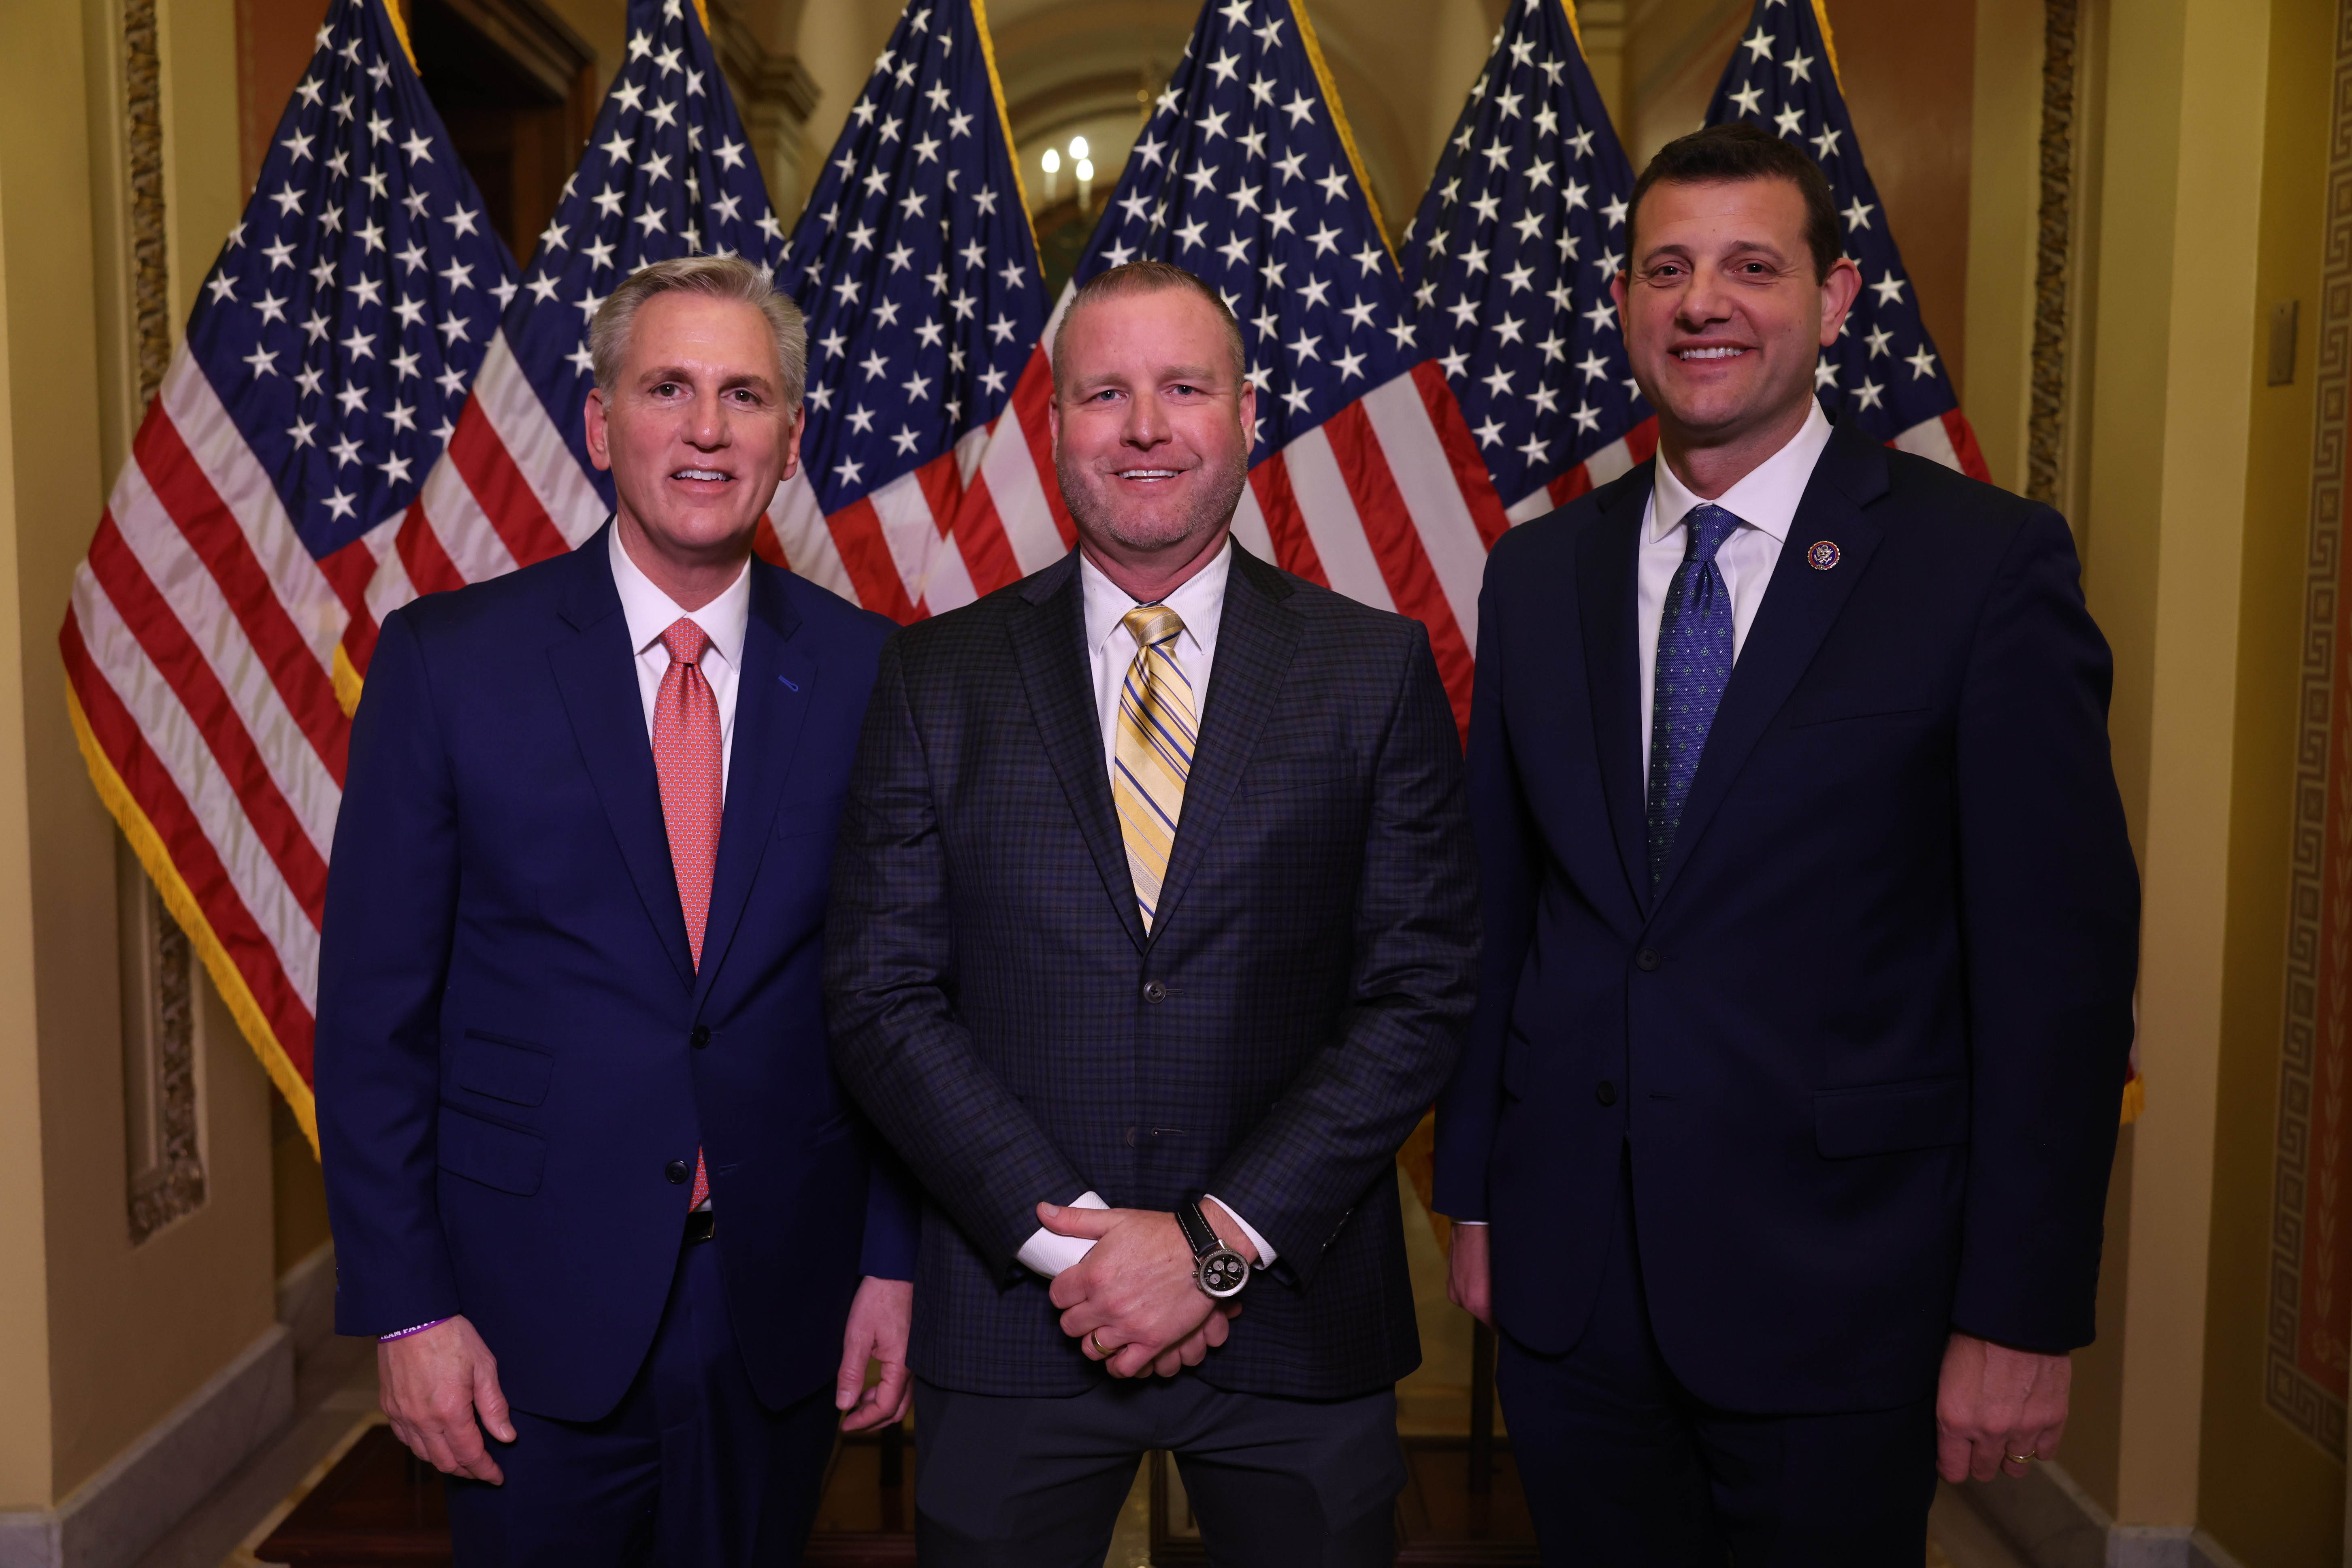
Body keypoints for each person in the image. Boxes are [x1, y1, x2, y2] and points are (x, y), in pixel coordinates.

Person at [1434, 123, 2140, 1562]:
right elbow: (1498, 911)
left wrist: (2019, 1309)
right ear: (1625, 305)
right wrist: (1475, 1195)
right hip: (1573, 1291)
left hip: (1844, 1294)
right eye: (1668, 269)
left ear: (1836, 300)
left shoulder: (1984, 568)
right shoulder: (1539, 572)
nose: (1704, 303)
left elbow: (2056, 981)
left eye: (1754, 266)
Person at [822, 259, 1478, 1567]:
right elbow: (881, 993)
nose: (1143, 426)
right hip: (1021, 1316)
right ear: (1054, 426)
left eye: (1184, 388)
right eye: (1103, 392)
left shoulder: (1373, 667)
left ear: (1248, 413)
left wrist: (1213, 1246)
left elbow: (1419, 992)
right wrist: (1072, 1250)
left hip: (1291, 1308)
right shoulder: (933, 674)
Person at [317, 254, 917, 1567]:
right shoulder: (446, 664)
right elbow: (373, 1023)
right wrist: (409, 1311)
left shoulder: (881, 674)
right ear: (600, 423)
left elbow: (903, 1009)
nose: (707, 429)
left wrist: (893, 1263)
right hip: (523, 1309)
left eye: (745, 395)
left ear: (788, 436)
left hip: (784, 1301)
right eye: (668, 389)